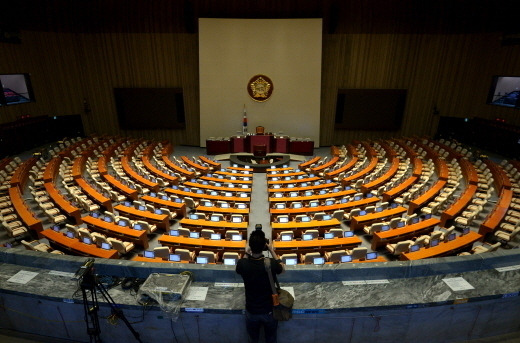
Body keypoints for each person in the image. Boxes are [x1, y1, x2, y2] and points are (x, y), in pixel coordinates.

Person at [236, 228, 285, 343]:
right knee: (271, 339)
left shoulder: (243, 264)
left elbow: (240, 266)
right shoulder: (271, 263)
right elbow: (282, 269)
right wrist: (272, 251)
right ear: (264, 246)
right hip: (269, 311)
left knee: (253, 339)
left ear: (250, 246)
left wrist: (247, 253)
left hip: (251, 311)